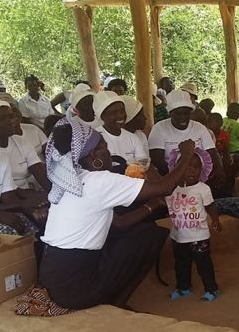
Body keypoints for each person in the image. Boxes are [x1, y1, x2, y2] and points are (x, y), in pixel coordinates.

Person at [38, 120, 197, 310]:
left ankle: (114, 301)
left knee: (137, 233)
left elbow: (119, 223)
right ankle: (117, 303)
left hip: (52, 280)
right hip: (76, 290)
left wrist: (152, 206)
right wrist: (186, 154)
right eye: (104, 148)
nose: (110, 153)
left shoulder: (69, 181)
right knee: (150, 237)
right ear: (92, 156)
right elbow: (165, 187)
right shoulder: (98, 181)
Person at [165, 148, 222, 302]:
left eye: (196, 167)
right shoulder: (170, 190)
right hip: (178, 236)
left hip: (199, 236)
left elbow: (210, 206)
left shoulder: (203, 189)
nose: (191, 170)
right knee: (181, 264)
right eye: (186, 166)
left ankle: (212, 289)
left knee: (203, 264)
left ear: (202, 169)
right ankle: (184, 288)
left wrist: (215, 220)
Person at [148, 89, 225, 185]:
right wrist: (179, 177)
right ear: (170, 113)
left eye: (186, 113)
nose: (182, 117)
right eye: (178, 114)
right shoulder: (159, 128)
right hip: (169, 178)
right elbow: (157, 160)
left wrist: (219, 168)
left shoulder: (199, 128)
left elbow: (212, 152)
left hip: (198, 178)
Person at [0, 94, 50, 191]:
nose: (10, 121)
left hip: (31, 193)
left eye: (10, 117)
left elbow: (40, 173)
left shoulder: (21, 142)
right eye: (2, 119)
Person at [93, 91, 148, 174]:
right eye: (114, 112)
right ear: (102, 116)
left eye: (122, 111)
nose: (120, 115)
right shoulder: (94, 139)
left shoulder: (132, 137)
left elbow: (143, 163)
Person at [0, 92, 48, 159]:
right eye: (6, 115)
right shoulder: (4, 143)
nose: (13, 114)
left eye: (14, 110)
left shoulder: (33, 129)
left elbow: (49, 150)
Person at [206, 112, 239, 198]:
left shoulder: (224, 134)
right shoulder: (207, 134)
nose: (209, 124)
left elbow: (225, 149)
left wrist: (227, 158)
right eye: (208, 122)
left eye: (211, 122)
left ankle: (229, 183)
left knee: (236, 159)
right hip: (210, 158)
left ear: (220, 123)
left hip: (221, 156)